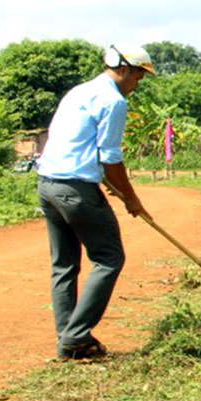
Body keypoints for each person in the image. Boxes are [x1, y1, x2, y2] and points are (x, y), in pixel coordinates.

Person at [36, 44, 155, 360]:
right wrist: (131, 198)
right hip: (76, 190)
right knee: (109, 258)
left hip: (48, 185)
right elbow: (111, 157)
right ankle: (76, 337)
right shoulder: (113, 100)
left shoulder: (79, 91)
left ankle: (69, 339)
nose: (137, 85)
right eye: (139, 78)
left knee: (64, 265)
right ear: (124, 69)